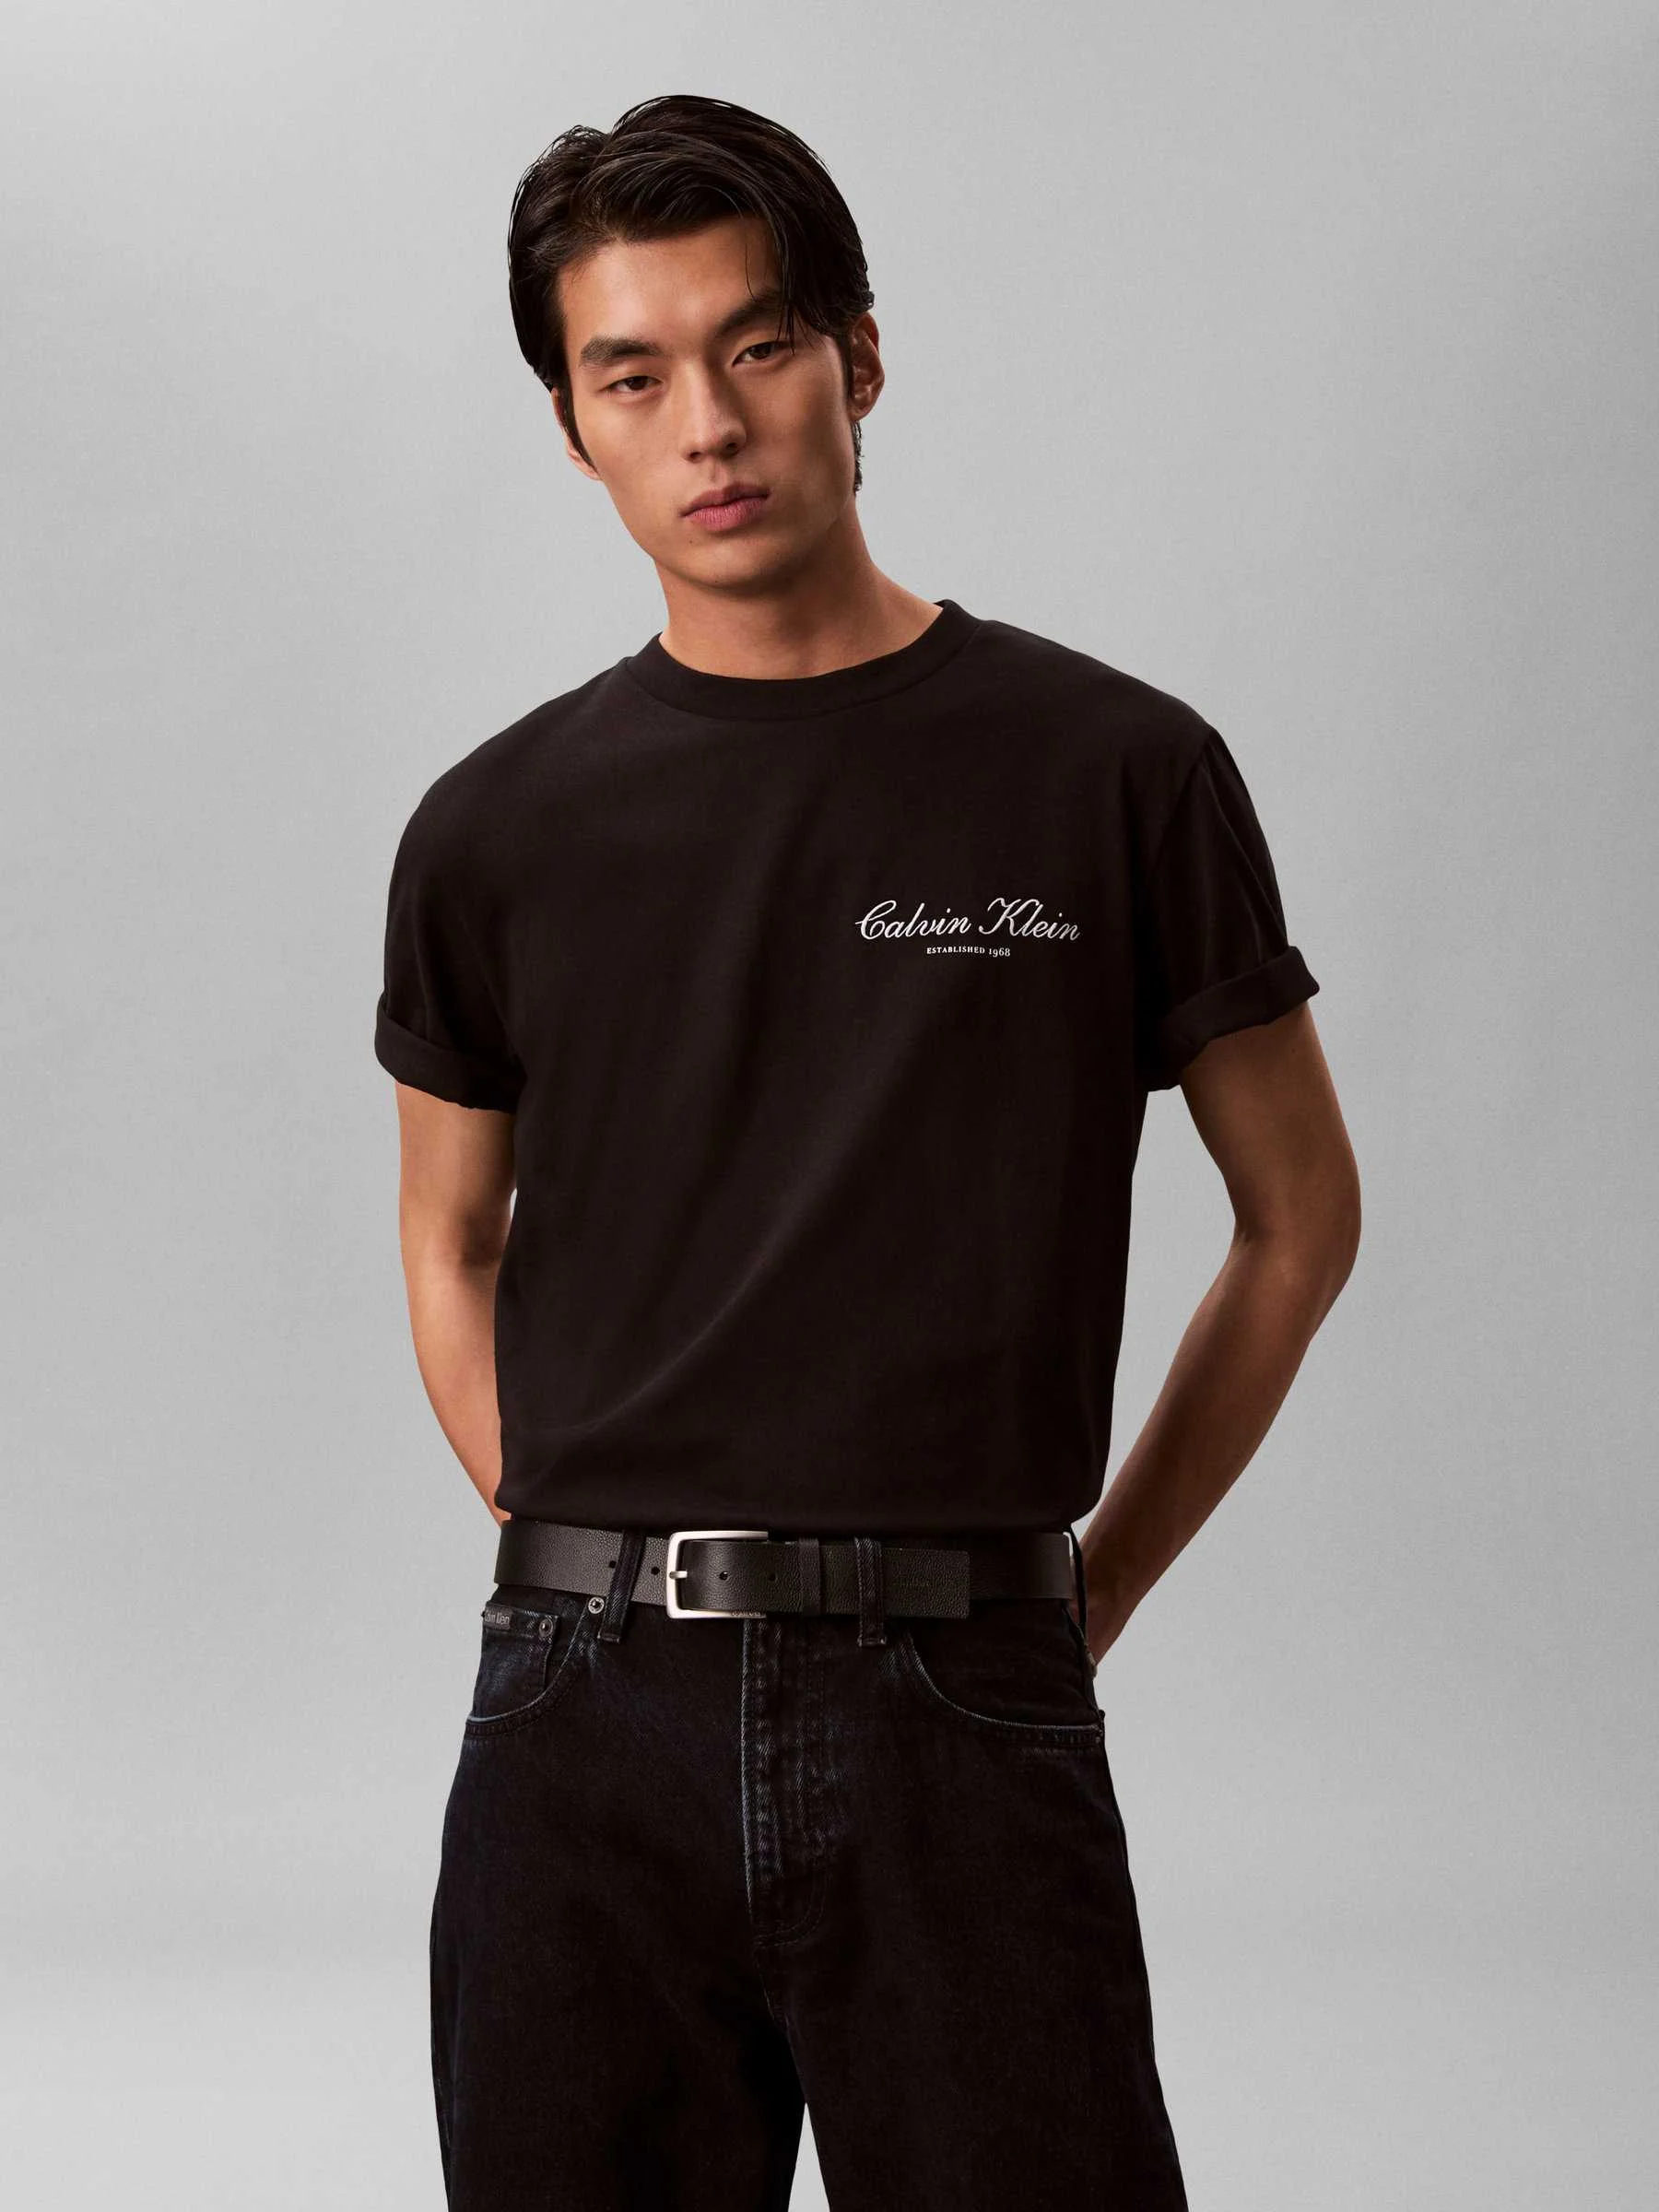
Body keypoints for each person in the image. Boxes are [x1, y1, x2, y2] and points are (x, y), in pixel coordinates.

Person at [372, 90, 1360, 2212]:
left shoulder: (1115, 772)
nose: (708, 425)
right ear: (574, 428)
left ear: (860, 359)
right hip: (579, 1724)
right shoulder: (493, 830)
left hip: (963, 1697)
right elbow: (449, 1244)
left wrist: (1085, 1592)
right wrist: (580, 1557)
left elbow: (1300, 1219)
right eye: (633, 375)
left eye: (758, 346)